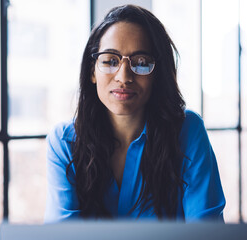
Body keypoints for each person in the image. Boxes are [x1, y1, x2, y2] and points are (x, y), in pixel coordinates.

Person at [44, 4, 225, 223]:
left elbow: (207, 231)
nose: (124, 76)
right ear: (92, 70)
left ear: (157, 74)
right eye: (111, 61)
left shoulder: (188, 131)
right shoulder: (64, 142)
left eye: (141, 63)